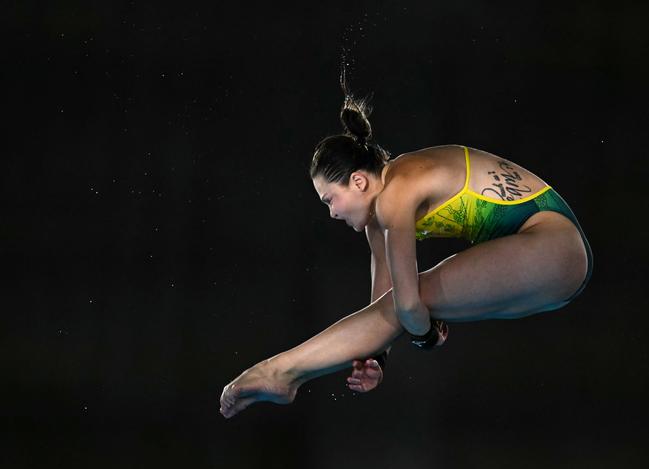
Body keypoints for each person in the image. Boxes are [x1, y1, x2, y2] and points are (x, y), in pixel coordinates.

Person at [219, 83, 593, 419]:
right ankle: (282, 373)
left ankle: (278, 371)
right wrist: (378, 358)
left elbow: (409, 307)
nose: (331, 212)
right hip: (550, 273)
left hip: (555, 248)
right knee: (402, 303)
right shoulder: (377, 221)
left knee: (415, 296)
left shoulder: (397, 191)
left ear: (359, 180)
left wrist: (425, 333)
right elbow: (385, 307)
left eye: (330, 200)